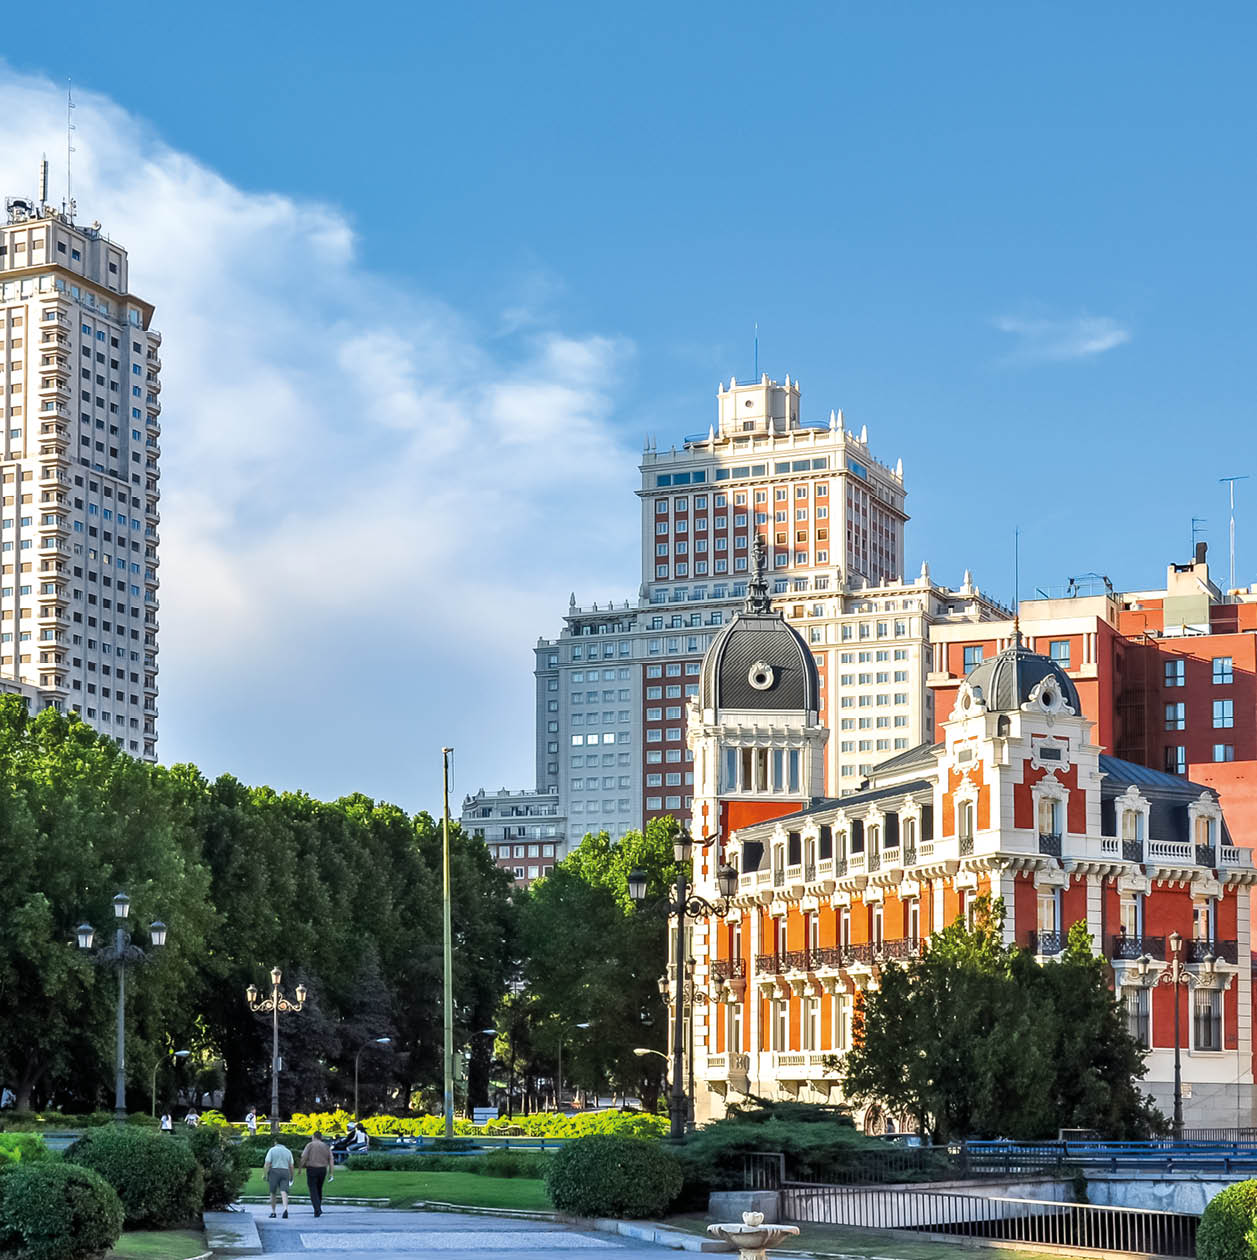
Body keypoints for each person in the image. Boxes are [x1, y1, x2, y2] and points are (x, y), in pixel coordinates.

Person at [299, 1130, 335, 1218]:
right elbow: (331, 1159)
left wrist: (300, 1167)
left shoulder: (310, 1145)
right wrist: (331, 1172)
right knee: (319, 1188)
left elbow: (304, 1156)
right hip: (322, 1169)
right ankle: (318, 1206)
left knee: (313, 1189)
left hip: (312, 1168)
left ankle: (317, 1208)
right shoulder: (326, 1146)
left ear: (314, 1137)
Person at [263, 1138, 295, 1219]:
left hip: (274, 1171)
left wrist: (265, 1174)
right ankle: (285, 1209)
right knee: (284, 1191)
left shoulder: (272, 1150)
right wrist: (291, 1176)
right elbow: (291, 1165)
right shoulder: (288, 1151)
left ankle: (273, 1212)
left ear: (276, 1142)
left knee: (273, 1192)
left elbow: (267, 1162)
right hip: (285, 1171)